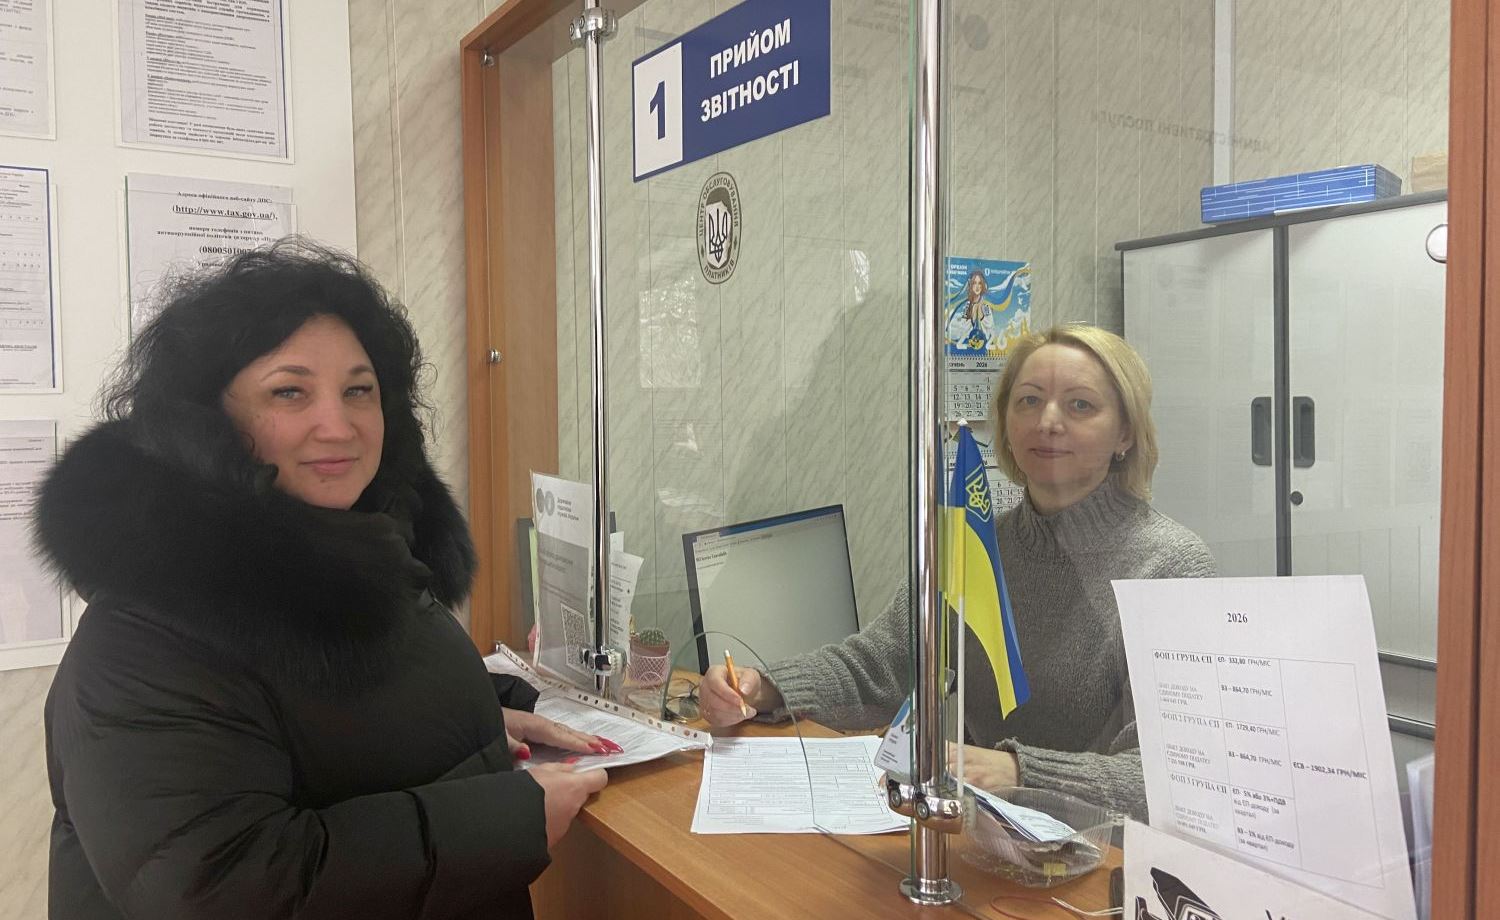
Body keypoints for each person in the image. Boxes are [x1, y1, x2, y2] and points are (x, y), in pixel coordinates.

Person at [36, 241, 613, 920]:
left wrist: (480, 713)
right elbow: (225, 887)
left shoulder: (362, 547)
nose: (338, 427)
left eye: (358, 391)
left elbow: (332, 705)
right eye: (290, 391)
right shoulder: (140, 643)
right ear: (208, 419)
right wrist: (509, 821)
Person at [699, 323, 1215, 820]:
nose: (1048, 421)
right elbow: (884, 664)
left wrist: (1018, 771)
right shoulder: (974, 545)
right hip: (984, 837)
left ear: (1125, 432)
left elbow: (1178, 773)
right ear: (1006, 425)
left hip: (1106, 860)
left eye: (1080, 405)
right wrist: (766, 687)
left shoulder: (1173, 569)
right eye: (1029, 401)